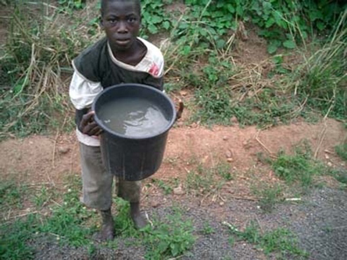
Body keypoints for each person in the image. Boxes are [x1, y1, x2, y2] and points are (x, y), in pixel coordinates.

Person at [69, 0, 166, 241]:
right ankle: (106, 219)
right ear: (102, 22)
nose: (122, 27)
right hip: (95, 132)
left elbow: (153, 97)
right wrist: (88, 123)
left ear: (140, 21)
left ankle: (135, 209)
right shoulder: (91, 60)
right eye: (113, 20)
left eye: (130, 19)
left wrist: (164, 116)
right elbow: (85, 103)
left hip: (134, 133)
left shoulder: (152, 58)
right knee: (98, 179)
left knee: (132, 173)